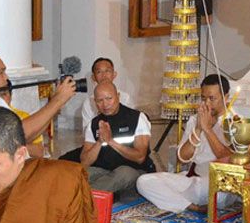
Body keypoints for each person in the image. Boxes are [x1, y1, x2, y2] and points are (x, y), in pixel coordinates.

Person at [0, 49, 76, 177]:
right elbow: (18, 134)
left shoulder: (0, 102)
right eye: (1, 73)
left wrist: (57, 103)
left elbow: (27, 135)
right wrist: (57, 101)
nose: (6, 77)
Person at [136, 75, 233, 212]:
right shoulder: (195, 120)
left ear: (226, 97)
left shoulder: (234, 121)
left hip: (221, 183)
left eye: (212, 99)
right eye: (203, 98)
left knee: (219, 194)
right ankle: (193, 207)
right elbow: (182, 157)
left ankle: (180, 201)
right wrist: (199, 129)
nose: (207, 104)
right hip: (194, 180)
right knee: (143, 182)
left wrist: (208, 129)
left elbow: (229, 160)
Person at [59, 82, 153, 194]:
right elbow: (85, 161)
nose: (105, 104)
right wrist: (99, 141)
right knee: (78, 173)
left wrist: (110, 141)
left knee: (123, 173)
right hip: (106, 171)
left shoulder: (137, 118)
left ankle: (83, 197)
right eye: (100, 101)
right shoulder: (94, 124)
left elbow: (140, 157)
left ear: (118, 96)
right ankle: (82, 194)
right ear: (95, 102)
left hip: (135, 171)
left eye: (109, 98)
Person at [80, 57, 135, 137]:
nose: (104, 75)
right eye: (99, 72)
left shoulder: (125, 98)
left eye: (107, 71)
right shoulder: (88, 103)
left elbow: (132, 125)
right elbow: (86, 133)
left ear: (114, 74)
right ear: (93, 77)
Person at [0, 82, 47, 158]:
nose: (0, 100)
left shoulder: (24, 117)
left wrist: (10, 145)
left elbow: (39, 152)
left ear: (11, 96)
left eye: (4, 95)